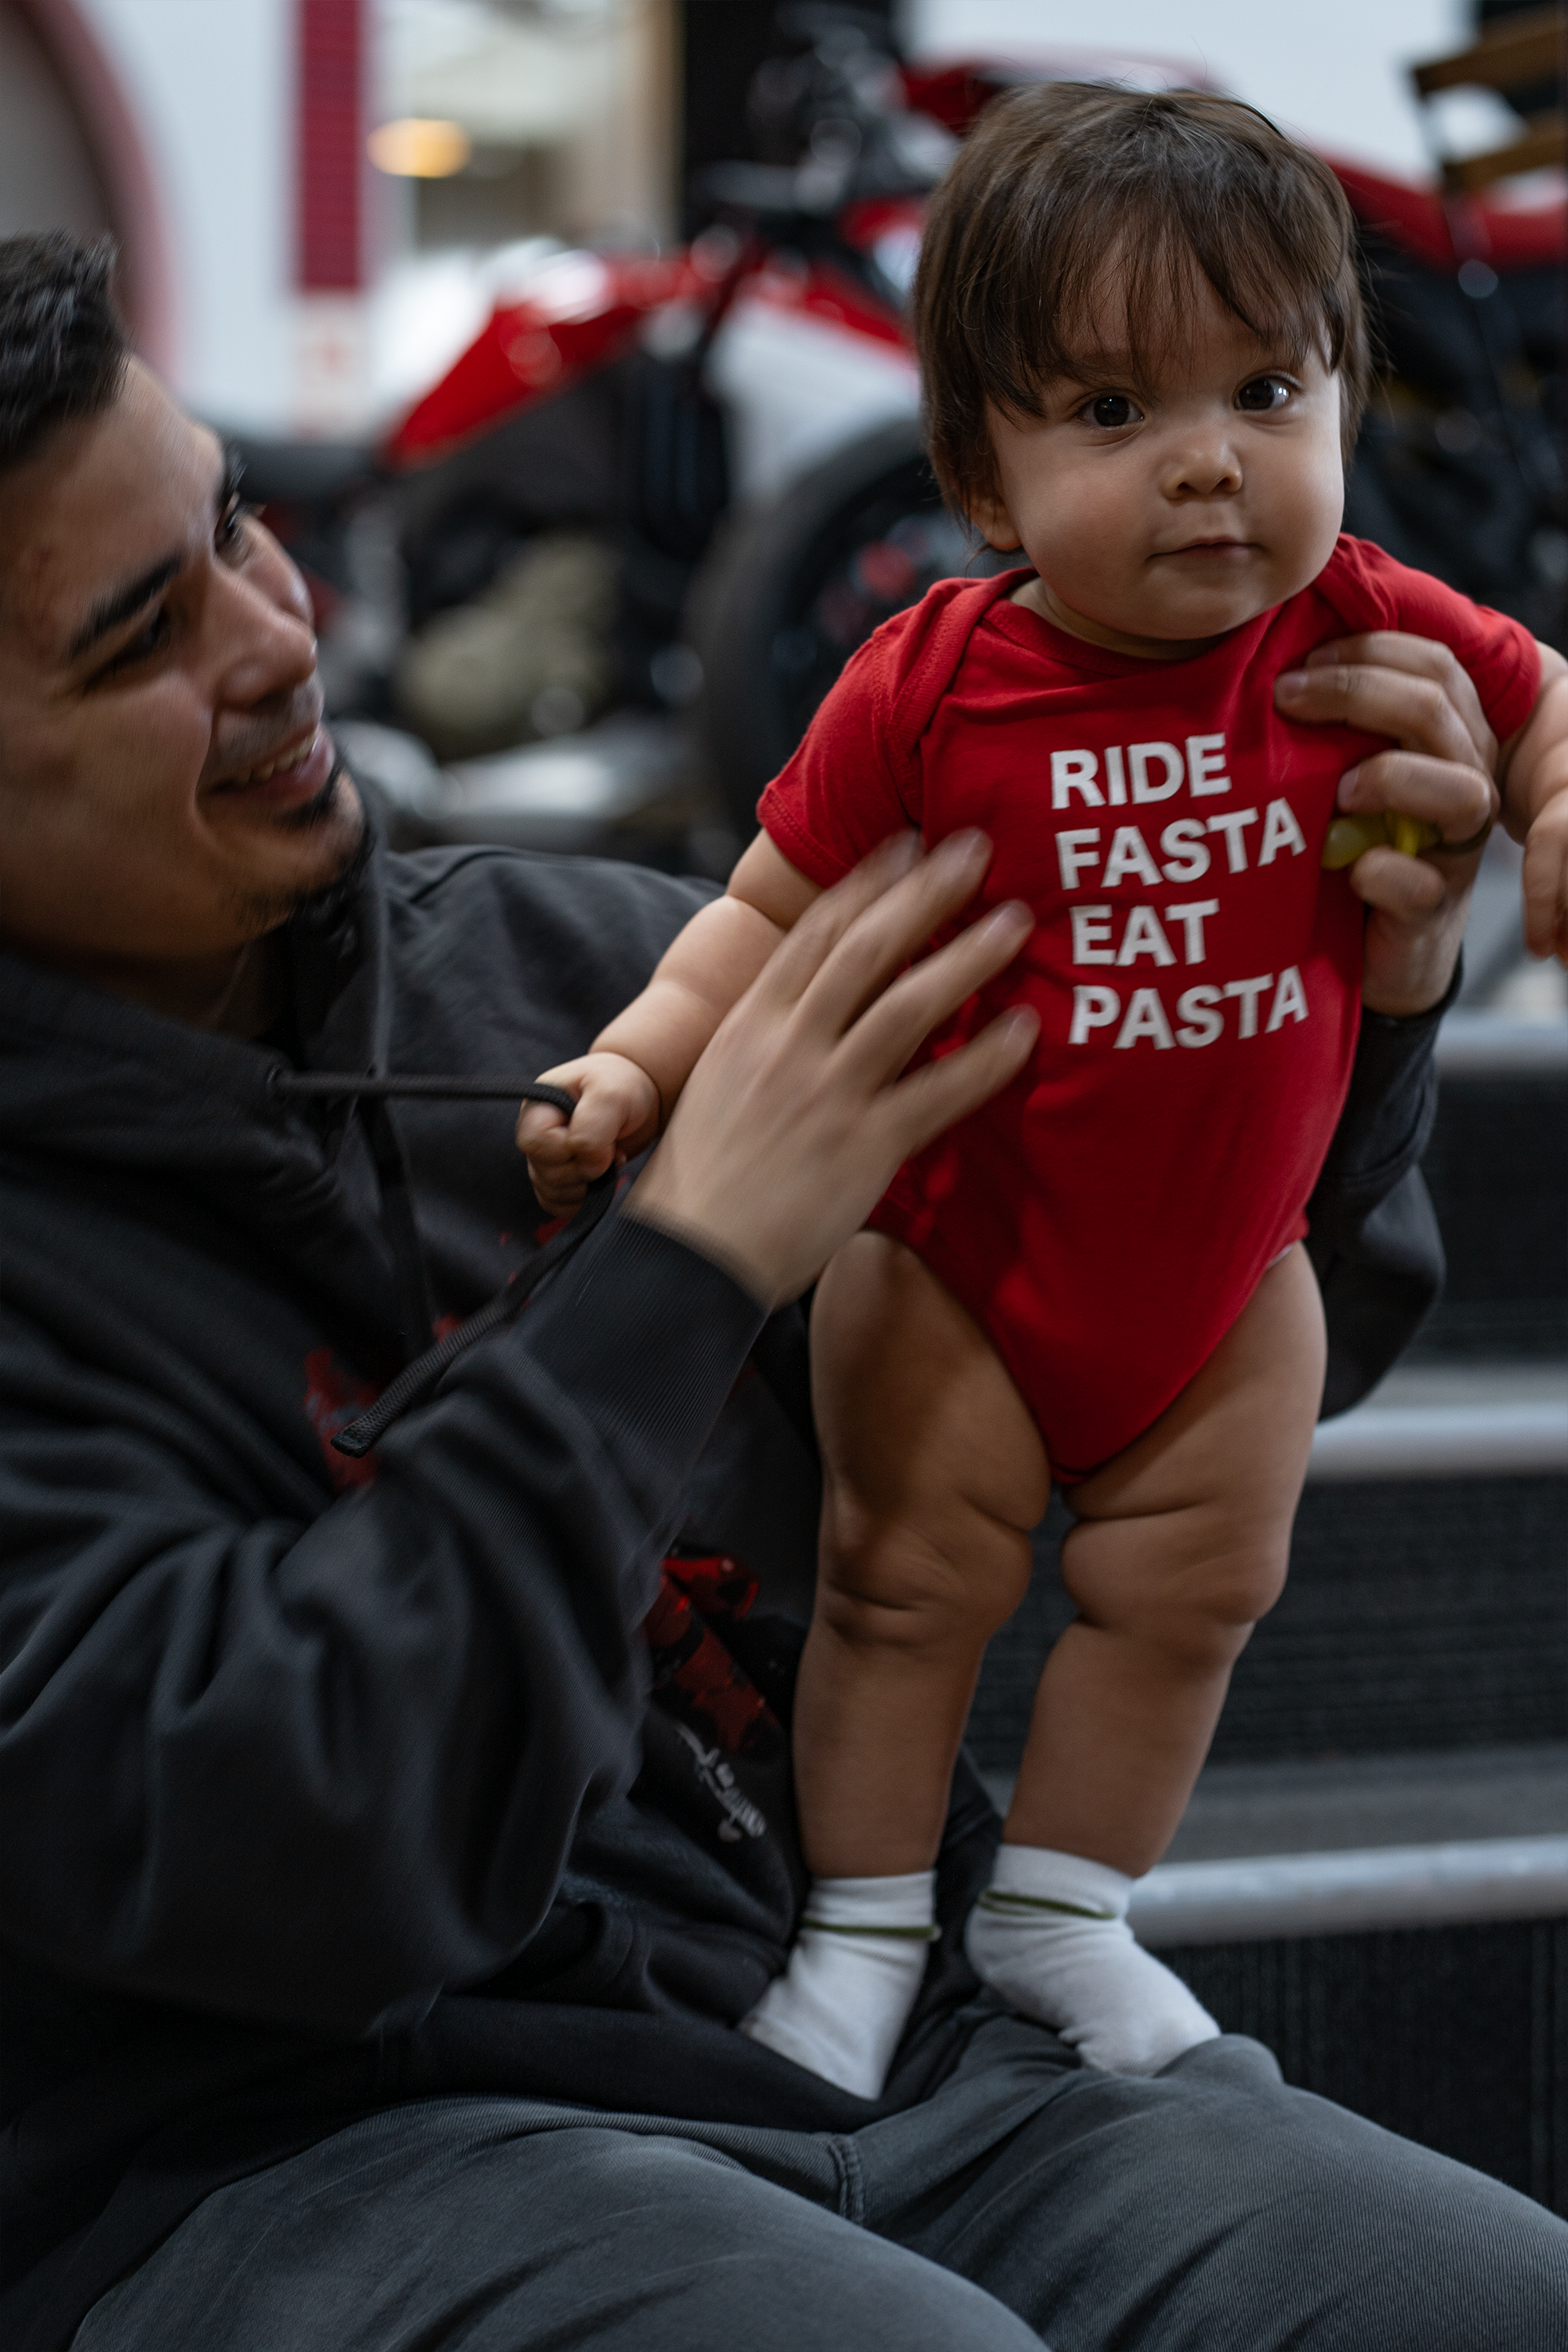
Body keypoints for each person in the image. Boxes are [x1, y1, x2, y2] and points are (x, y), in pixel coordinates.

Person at [2, 228, 1565, 2352]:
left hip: (887, 2053)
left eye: (242, 527)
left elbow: (1234, 1357)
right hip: (303, 2151)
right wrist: (679, 1267)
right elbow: (309, 1844)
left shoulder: (578, 962)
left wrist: (1338, 1005)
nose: (280, 638)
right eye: (136, 637)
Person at [519, 84, 1568, 2100]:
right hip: (959, 1255)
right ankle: (857, 1935)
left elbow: (1540, 701)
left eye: (1268, 388)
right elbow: (762, 907)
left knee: (1198, 1589)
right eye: (1110, 416)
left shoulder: (1360, 626)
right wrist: (641, 1061)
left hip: (1231, 1271)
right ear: (983, 482)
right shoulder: (927, 678)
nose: (1207, 468)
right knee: (905, 1589)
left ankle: (1066, 1910)